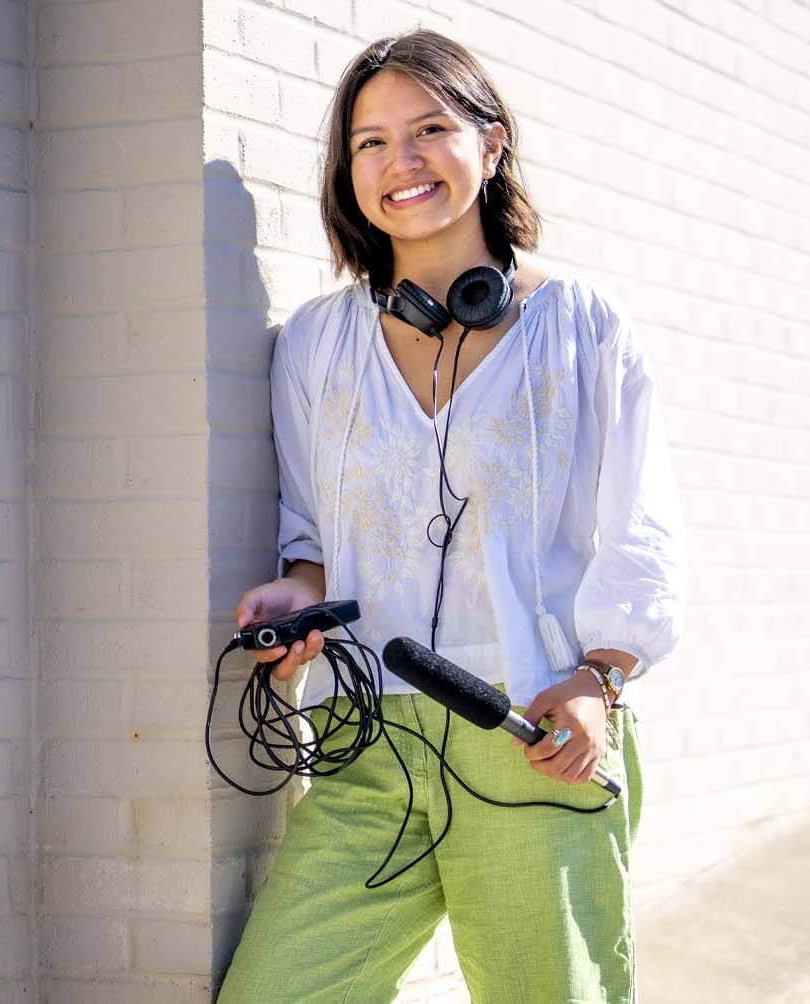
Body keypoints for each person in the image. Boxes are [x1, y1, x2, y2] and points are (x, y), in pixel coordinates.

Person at [216, 29, 688, 1004]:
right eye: (371, 142)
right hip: (365, 742)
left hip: (534, 732)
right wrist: (291, 594)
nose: (403, 162)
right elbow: (308, 529)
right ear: (348, 174)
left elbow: (642, 525)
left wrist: (601, 677)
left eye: (430, 128)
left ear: (492, 143)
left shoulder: (583, 324)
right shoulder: (314, 342)